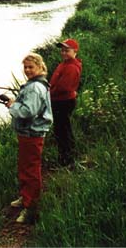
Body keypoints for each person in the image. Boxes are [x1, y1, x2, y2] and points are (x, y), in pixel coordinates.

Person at [5, 53, 53, 223]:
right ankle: (25, 197)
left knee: (31, 170)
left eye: (31, 67)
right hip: (29, 134)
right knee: (25, 167)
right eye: (25, 67)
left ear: (40, 67)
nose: (27, 70)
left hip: (32, 134)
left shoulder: (34, 87)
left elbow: (27, 112)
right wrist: (16, 102)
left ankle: (30, 206)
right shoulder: (36, 84)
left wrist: (12, 105)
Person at [49, 38, 82, 167]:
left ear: (75, 51)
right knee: (63, 129)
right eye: (62, 50)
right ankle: (67, 156)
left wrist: (47, 93)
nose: (63, 53)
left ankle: (66, 160)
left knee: (62, 131)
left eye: (67, 50)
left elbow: (64, 88)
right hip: (61, 101)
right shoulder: (65, 63)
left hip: (63, 102)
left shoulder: (71, 67)